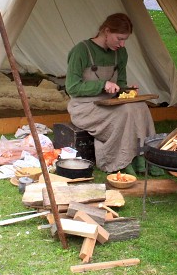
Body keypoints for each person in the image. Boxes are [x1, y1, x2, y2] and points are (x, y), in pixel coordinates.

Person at [65, 13, 160, 176]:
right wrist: (102, 84)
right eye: (119, 38)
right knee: (126, 112)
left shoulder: (120, 53)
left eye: (125, 40)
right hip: (84, 107)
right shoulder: (81, 51)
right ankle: (121, 161)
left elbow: (120, 84)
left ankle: (143, 158)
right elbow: (72, 87)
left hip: (110, 103)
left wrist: (127, 90)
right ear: (106, 31)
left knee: (140, 107)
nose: (122, 44)